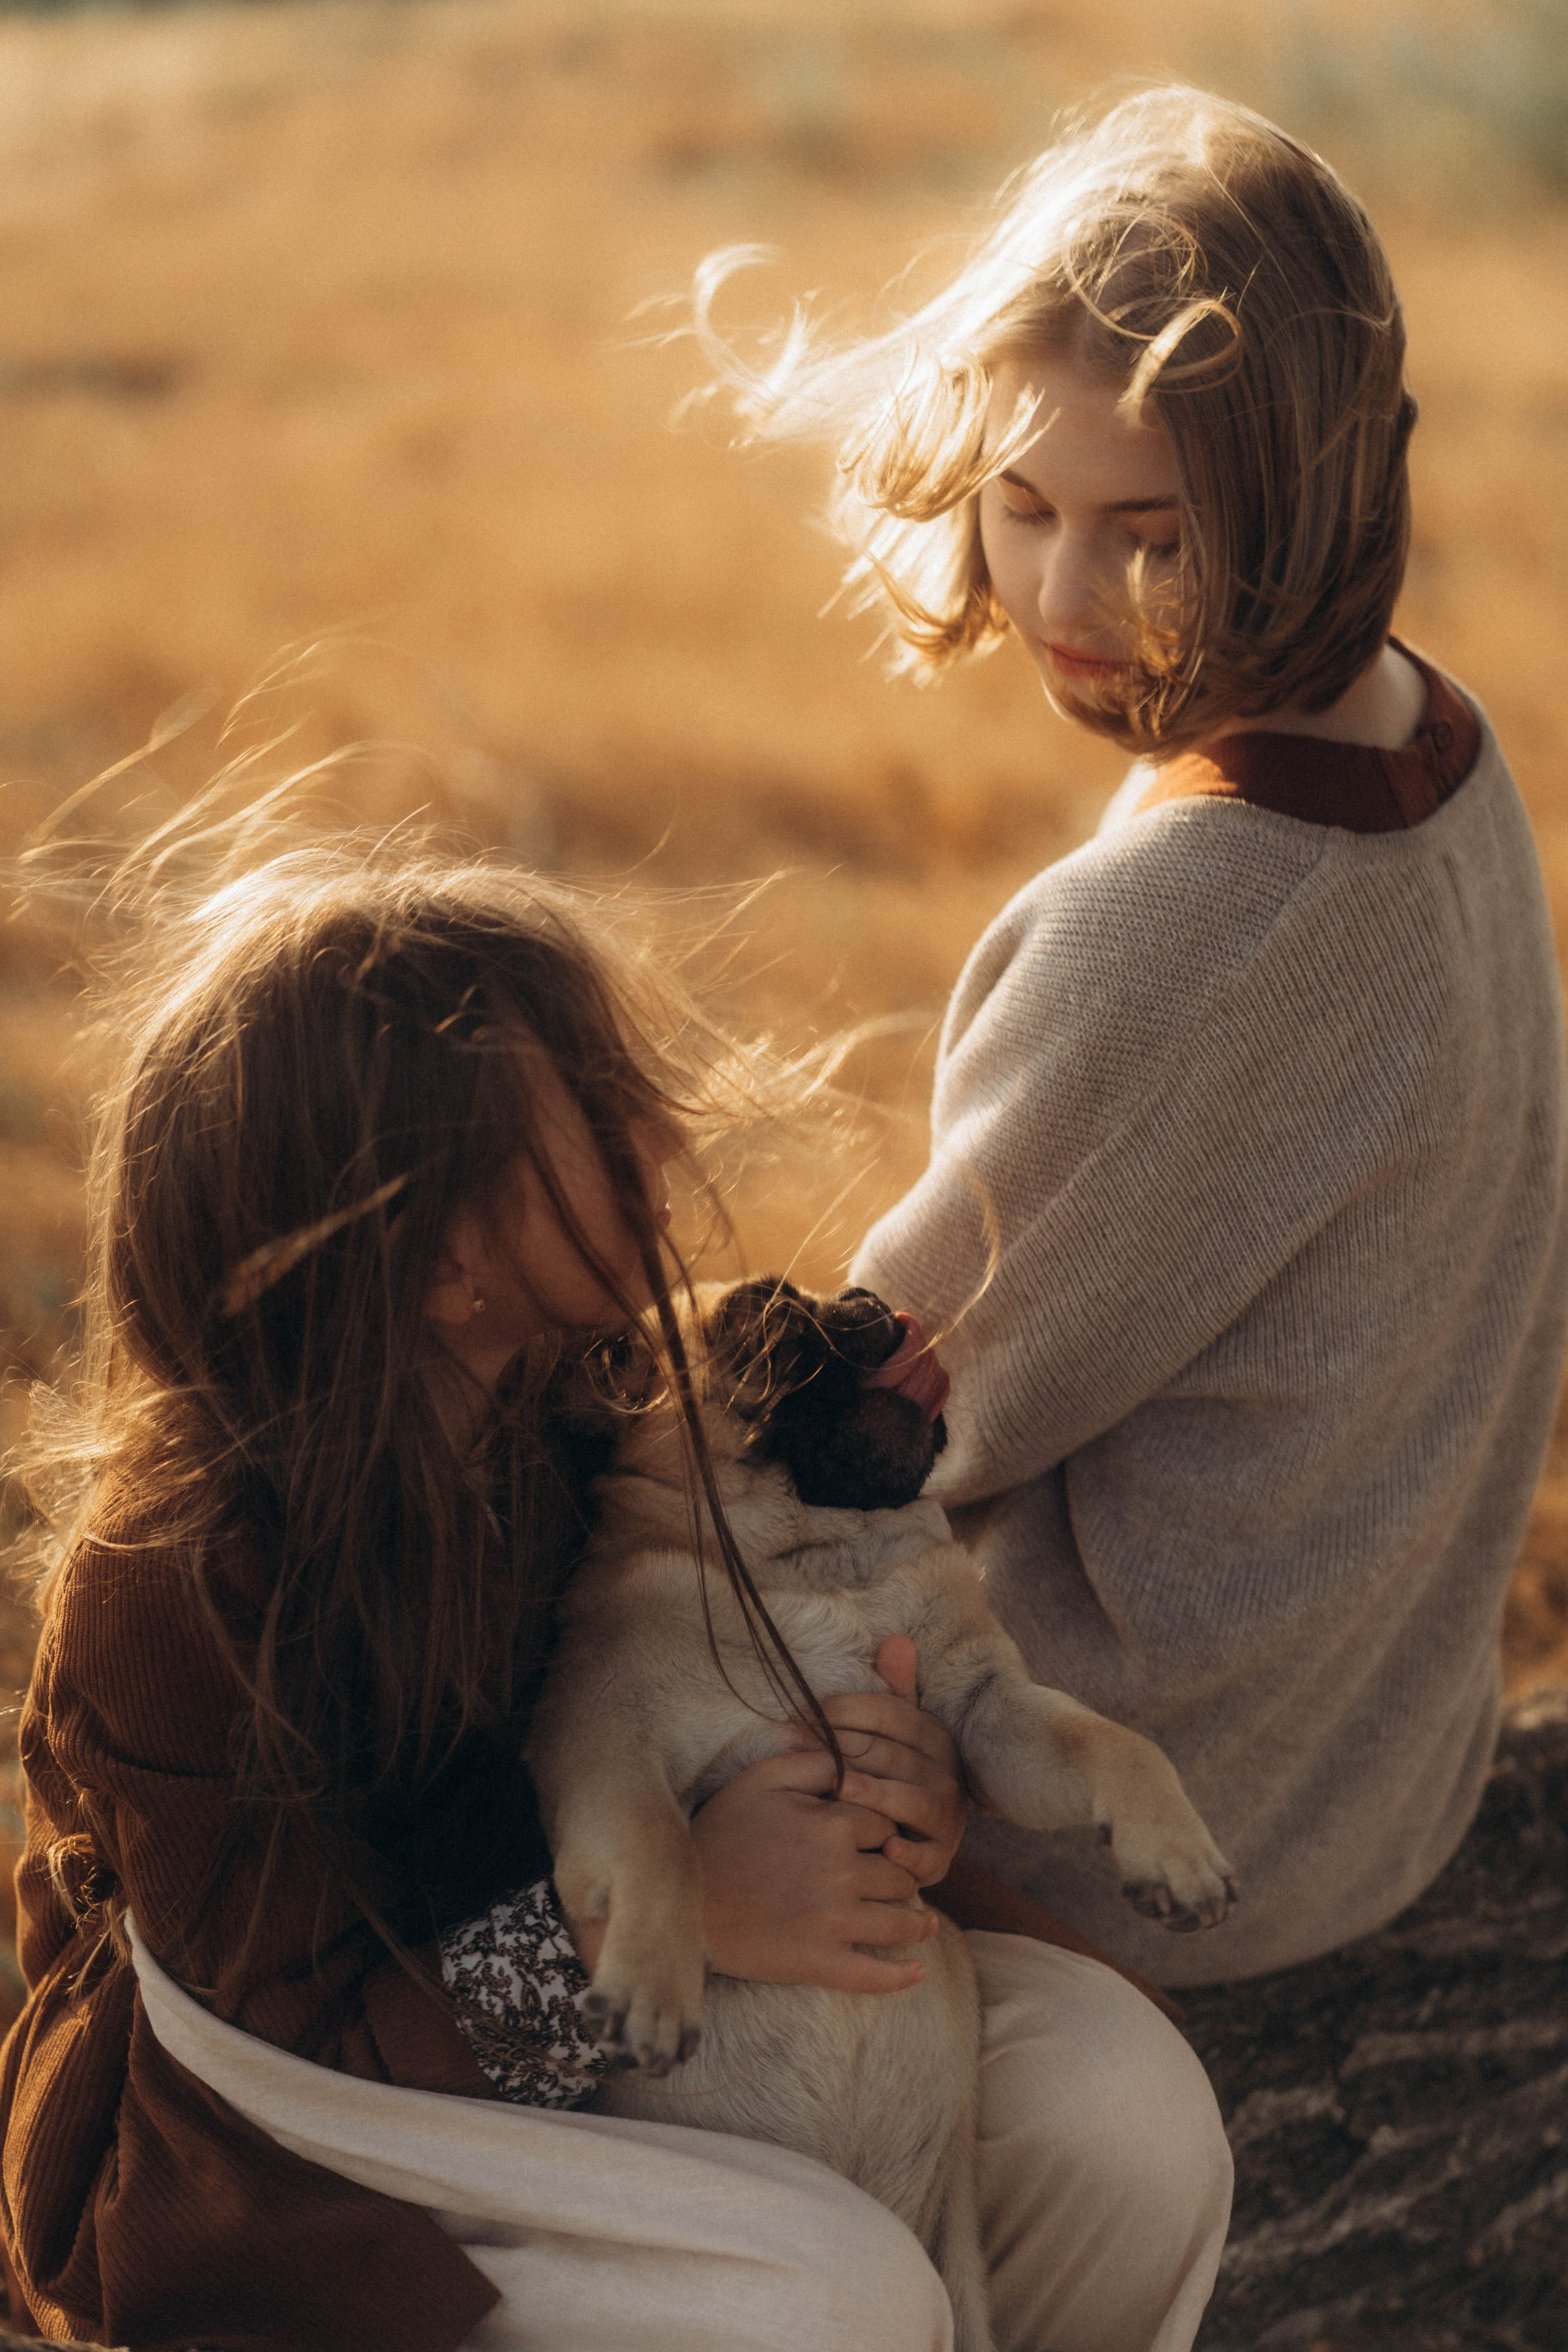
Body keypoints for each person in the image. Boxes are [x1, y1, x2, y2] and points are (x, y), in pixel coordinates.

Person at [0, 840, 1230, 2352]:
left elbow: (760, 1699)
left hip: (636, 2025)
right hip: (313, 2156)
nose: (663, 1135)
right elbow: (296, 2061)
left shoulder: (591, 1417)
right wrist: (682, 1912)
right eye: (599, 1116)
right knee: (826, 2302)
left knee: (1123, 2113)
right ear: (444, 1253)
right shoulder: (178, 1590)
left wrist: (905, 1796)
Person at [699, 85, 1568, 1988]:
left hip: (1140, 1848)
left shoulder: (1184, 933)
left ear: (1311, 501)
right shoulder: (1445, 738)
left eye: (1150, 533)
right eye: (1022, 506)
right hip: (1370, 1772)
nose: (1066, 600)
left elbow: (875, 1436)